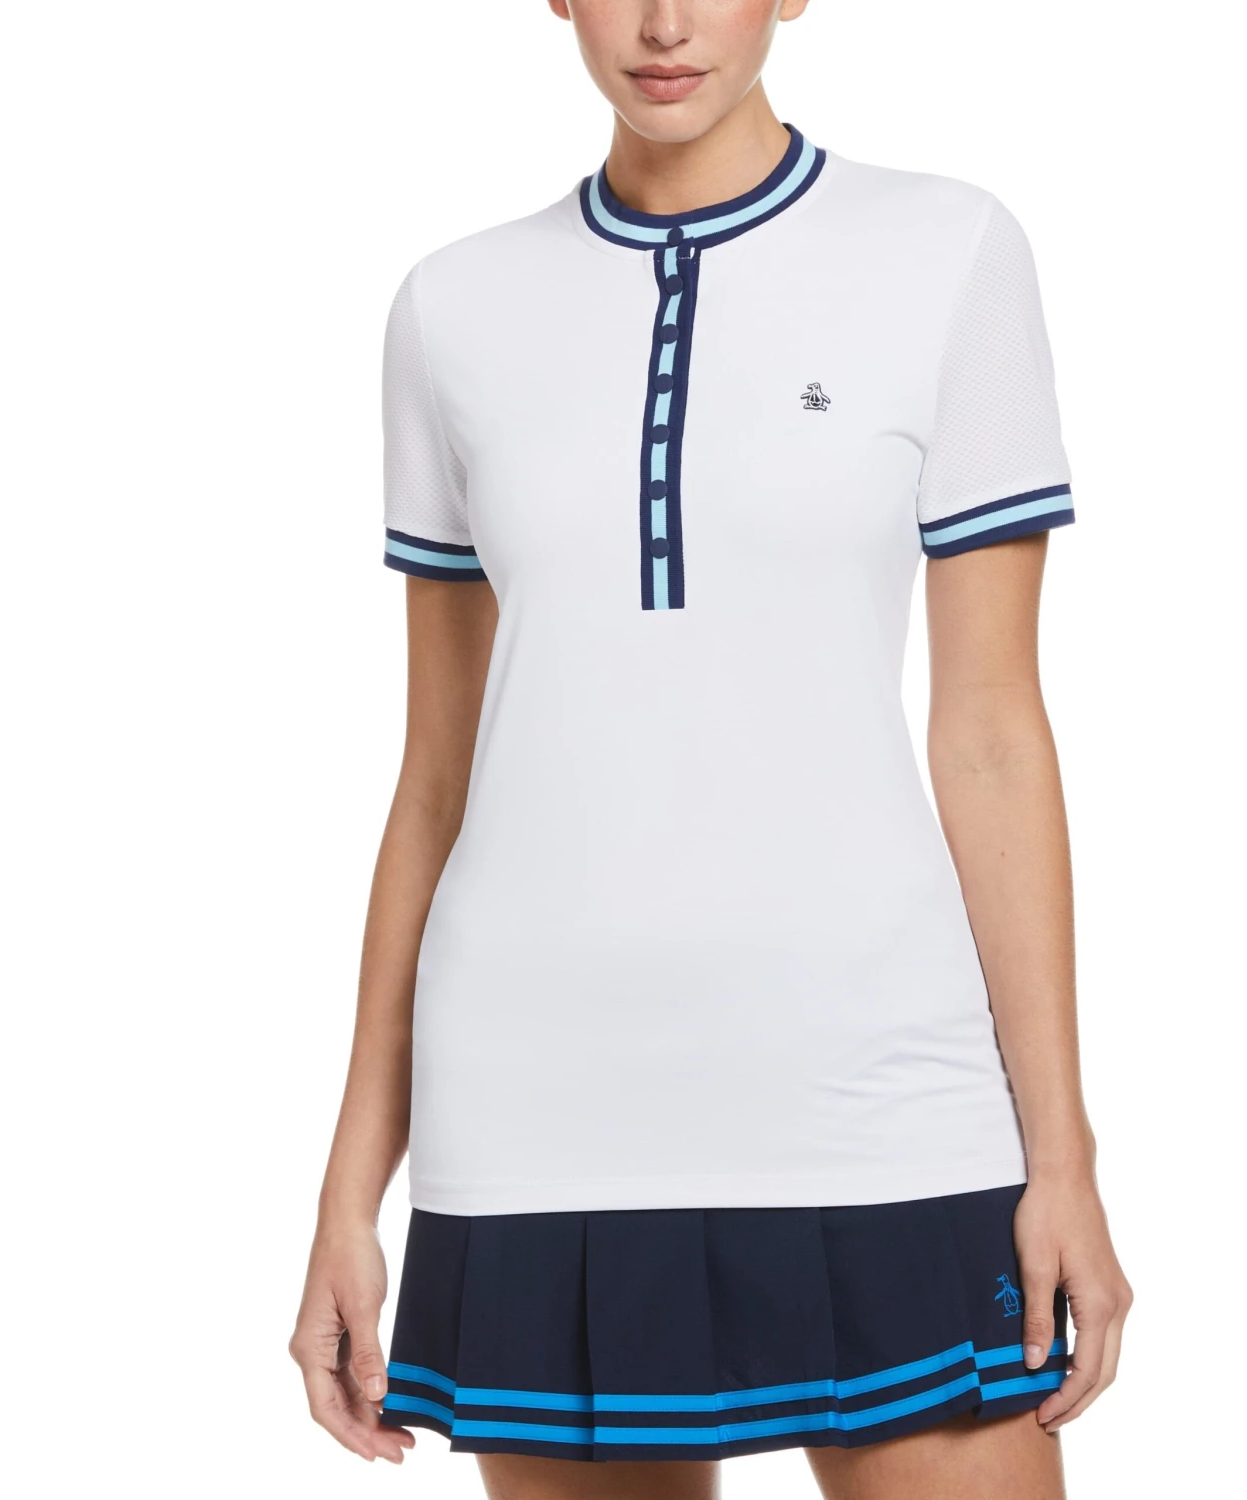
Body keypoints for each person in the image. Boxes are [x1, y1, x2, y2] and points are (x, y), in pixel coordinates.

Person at [288, 3, 1132, 1497]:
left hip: (882, 1090)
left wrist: (1062, 1155)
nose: (665, 23)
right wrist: (350, 1195)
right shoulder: (451, 307)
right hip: (541, 1116)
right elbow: (435, 782)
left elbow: (994, 730)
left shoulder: (946, 252)